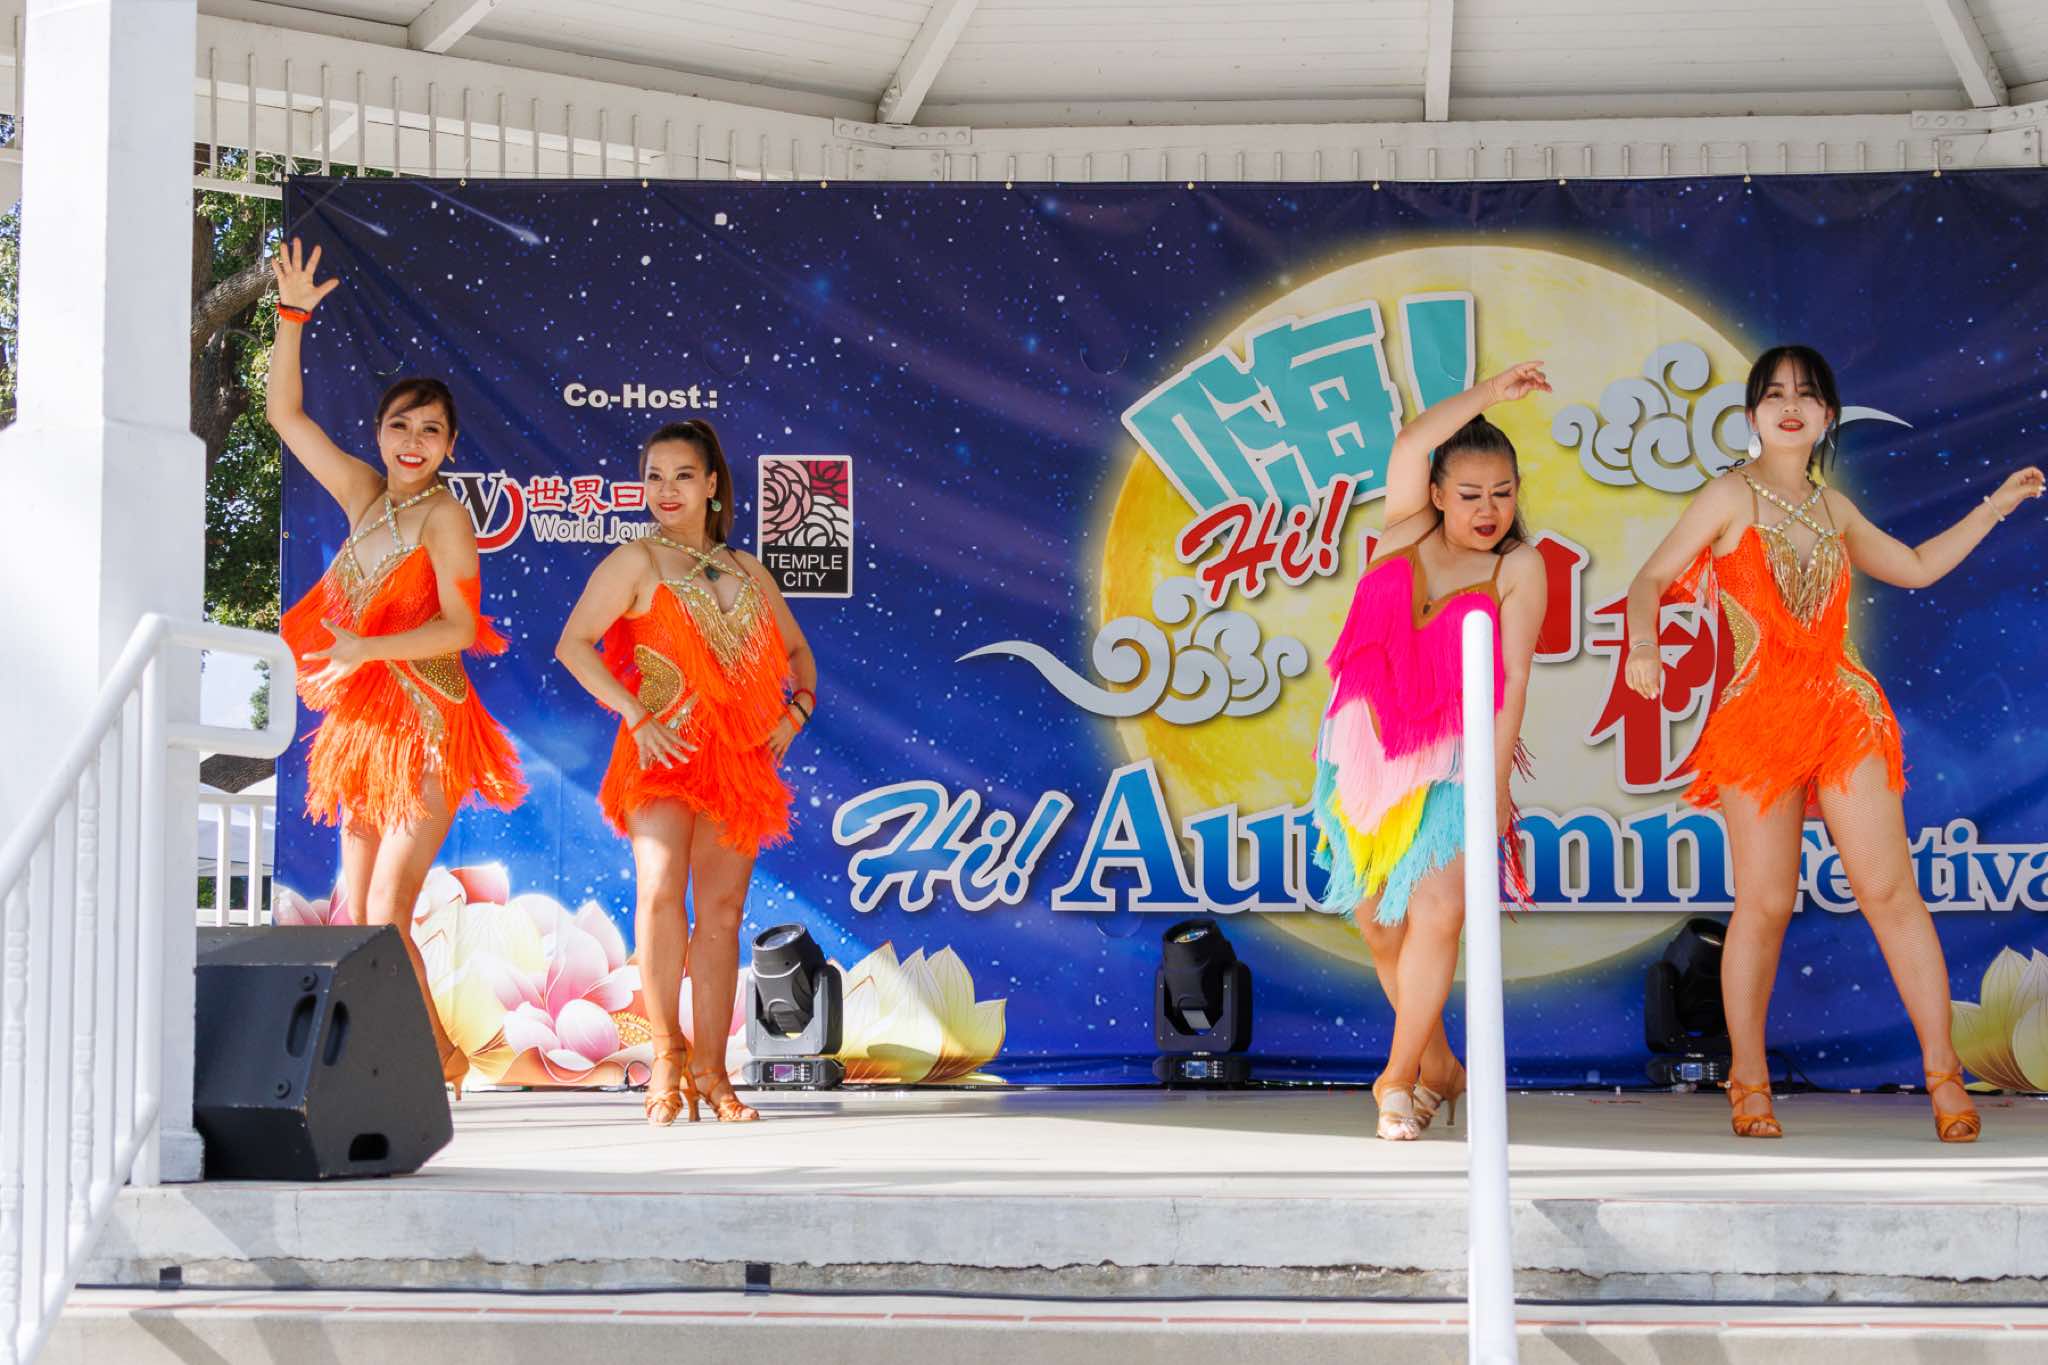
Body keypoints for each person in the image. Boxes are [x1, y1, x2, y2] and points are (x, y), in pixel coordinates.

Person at [1624, 345, 2043, 1142]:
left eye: (1807, 395)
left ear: (1826, 416)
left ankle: (1945, 1075)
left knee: (1890, 892)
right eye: (1775, 394)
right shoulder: (1728, 495)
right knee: (1766, 902)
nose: (1791, 406)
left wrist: (1993, 506)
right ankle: (1749, 1079)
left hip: (1844, 709)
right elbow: (1648, 579)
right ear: (1752, 414)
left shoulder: (1834, 507)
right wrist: (1644, 644)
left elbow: (1915, 566)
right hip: (1758, 715)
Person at [267, 237, 528, 1096]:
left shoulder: (445, 517)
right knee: (360, 917)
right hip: (365, 730)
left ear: (450, 444)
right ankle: (435, 1058)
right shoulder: (364, 497)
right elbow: (286, 416)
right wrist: (292, 318)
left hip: (431, 725)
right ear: (380, 432)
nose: (413, 441)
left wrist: (363, 647)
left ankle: (421, 1068)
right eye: (400, 425)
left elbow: (458, 627)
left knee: (387, 908)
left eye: (431, 430)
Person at [1311, 363, 1551, 1141]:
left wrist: (1493, 783)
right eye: (1471, 493)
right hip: (1365, 751)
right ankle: (1441, 1067)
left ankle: (1396, 1076)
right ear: (1438, 493)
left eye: (1503, 492)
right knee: (1380, 923)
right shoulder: (1402, 531)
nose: (1489, 509)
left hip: (1453, 757)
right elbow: (1414, 441)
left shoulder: (1519, 566)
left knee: (1439, 909)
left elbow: (1513, 678)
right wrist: (1491, 394)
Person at [555, 420, 818, 1126]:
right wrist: (636, 715)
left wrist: (793, 716)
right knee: (660, 887)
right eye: (653, 476)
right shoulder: (636, 559)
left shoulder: (748, 568)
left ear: (711, 485)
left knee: (723, 913)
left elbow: (799, 655)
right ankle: (666, 1057)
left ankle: (711, 1070)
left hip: (737, 762)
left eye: (681, 475)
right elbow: (573, 644)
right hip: (662, 752)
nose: (665, 490)